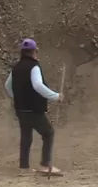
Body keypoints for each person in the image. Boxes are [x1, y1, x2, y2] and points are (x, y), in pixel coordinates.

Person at [5, 38, 63, 175]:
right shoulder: (34, 67)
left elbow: (7, 86)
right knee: (48, 133)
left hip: (20, 109)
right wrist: (55, 96)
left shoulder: (16, 67)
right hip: (34, 109)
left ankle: (23, 168)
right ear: (34, 51)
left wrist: (17, 97)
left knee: (26, 137)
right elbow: (37, 85)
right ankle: (45, 164)